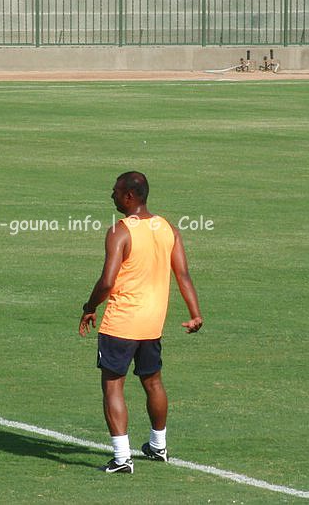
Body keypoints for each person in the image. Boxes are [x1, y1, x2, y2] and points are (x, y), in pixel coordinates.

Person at [79, 171, 203, 474]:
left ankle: (122, 458)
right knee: (153, 382)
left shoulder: (120, 231)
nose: (112, 196)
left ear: (130, 197)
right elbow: (182, 274)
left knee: (113, 387)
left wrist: (89, 306)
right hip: (152, 324)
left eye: (116, 191)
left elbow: (108, 281)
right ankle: (158, 445)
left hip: (121, 323)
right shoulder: (168, 228)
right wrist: (195, 313)